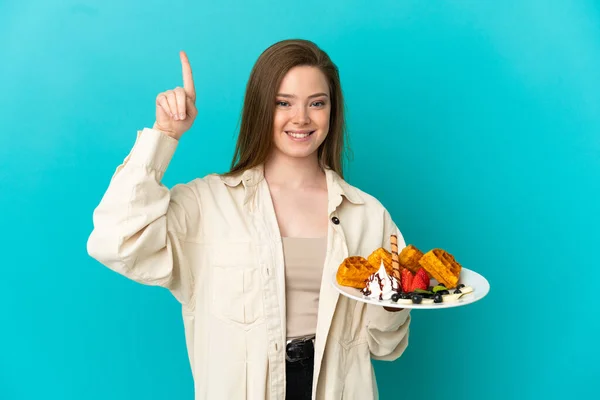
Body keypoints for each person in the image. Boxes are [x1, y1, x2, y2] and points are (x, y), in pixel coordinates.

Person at [87, 39, 411, 400]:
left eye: (316, 103)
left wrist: (391, 303)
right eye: (283, 103)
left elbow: (387, 346)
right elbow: (116, 240)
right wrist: (164, 135)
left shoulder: (366, 214)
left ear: (332, 112)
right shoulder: (208, 203)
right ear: (260, 109)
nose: (301, 118)